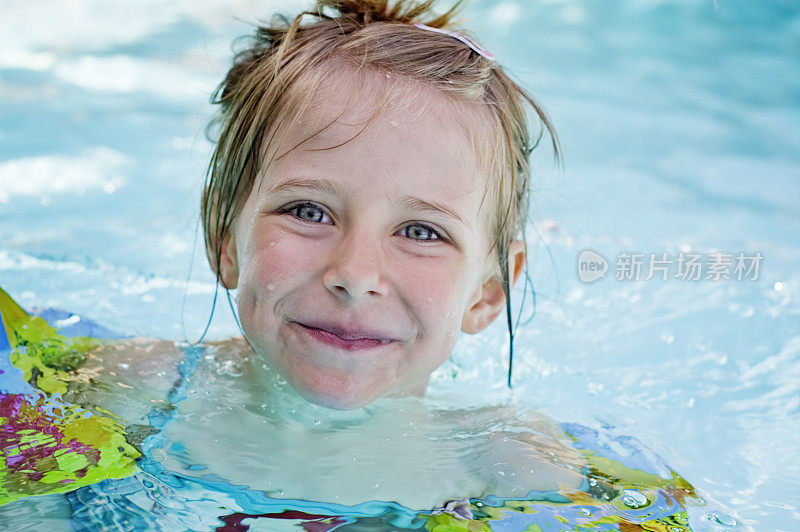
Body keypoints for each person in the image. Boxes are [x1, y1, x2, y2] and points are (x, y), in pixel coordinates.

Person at [199, 0, 557, 411]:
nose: (354, 275)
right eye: (308, 212)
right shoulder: (124, 395)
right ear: (223, 237)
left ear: (488, 293)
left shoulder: (522, 466)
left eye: (420, 232)